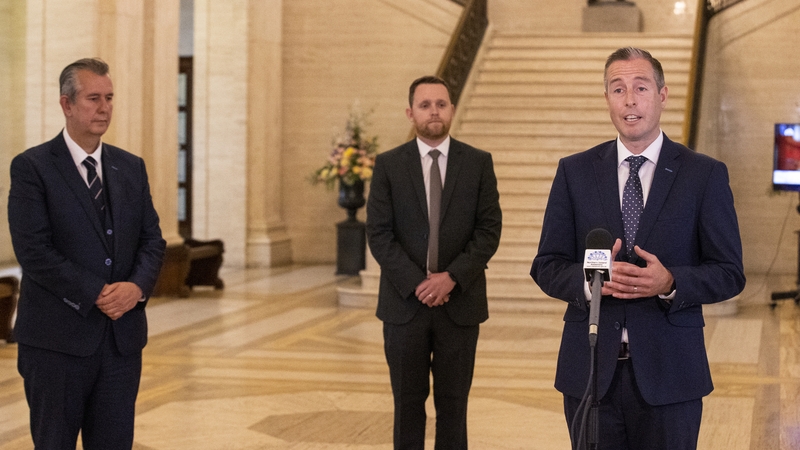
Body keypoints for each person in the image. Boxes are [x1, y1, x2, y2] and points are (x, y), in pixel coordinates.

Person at [530, 47, 745, 450]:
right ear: (607, 98)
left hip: (671, 377)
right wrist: (590, 285)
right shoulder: (575, 172)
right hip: (591, 376)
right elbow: (547, 264)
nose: (630, 100)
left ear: (662, 95)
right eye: (618, 89)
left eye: (641, 87)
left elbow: (730, 271)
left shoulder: (703, 174)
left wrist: (670, 281)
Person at [8, 58, 166, 449]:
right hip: (56, 344)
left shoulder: (130, 167)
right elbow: (34, 251)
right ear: (66, 104)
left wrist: (136, 288)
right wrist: (97, 291)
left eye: (109, 98)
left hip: (120, 343)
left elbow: (152, 240)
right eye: (94, 98)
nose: (104, 107)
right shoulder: (33, 167)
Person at [366, 75, 502, 449]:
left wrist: (451, 278)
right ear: (411, 113)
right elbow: (379, 233)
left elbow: (489, 231)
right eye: (425, 105)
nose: (434, 111)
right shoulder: (389, 165)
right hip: (403, 305)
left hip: (460, 304)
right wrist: (418, 283)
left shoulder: (477, 163)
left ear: (452, 109)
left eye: (441, 104)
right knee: (407, 404)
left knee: (454, 406)